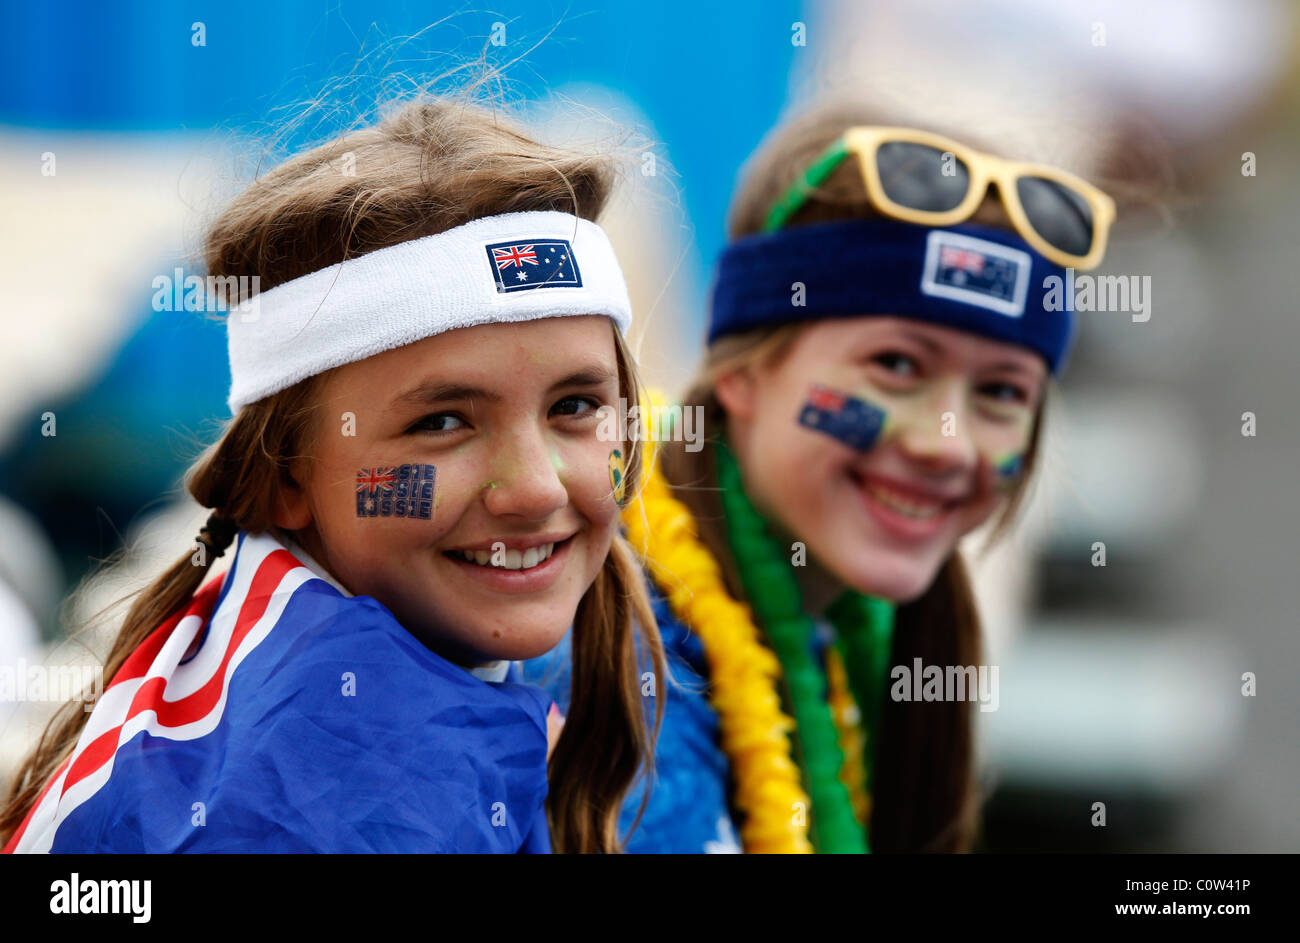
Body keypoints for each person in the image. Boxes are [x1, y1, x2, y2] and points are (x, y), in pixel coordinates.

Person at [0, 98, 664, 854]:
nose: (538, 488)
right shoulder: (338, 784)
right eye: (442, 421)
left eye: (575, 406)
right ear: (286, 477)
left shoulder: (303, 654)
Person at [527, 104, 1117, 852]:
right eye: (896, 366)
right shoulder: (609, 657)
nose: (950, 442)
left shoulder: (851, 627)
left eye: (1001, 392)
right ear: (743, 370)